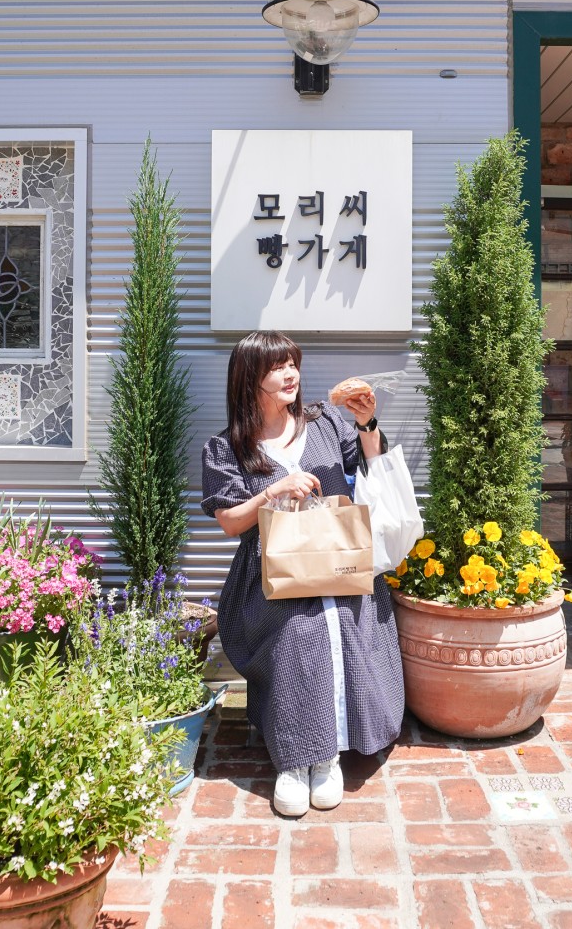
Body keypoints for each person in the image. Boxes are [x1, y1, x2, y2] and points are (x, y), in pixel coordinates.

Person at [201, 330, 405, 818]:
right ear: (250, 378)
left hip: (340, 559)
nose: (291, 373)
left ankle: (329, 757)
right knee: (297, 632)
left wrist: (368, 423)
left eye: (293, 362)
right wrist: (273, 492)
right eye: (277, 366)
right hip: (273, 570)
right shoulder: (228, 446)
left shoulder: (329, 419)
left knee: (339, 626)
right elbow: (229, 521)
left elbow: (371, 469)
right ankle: (296, 762)